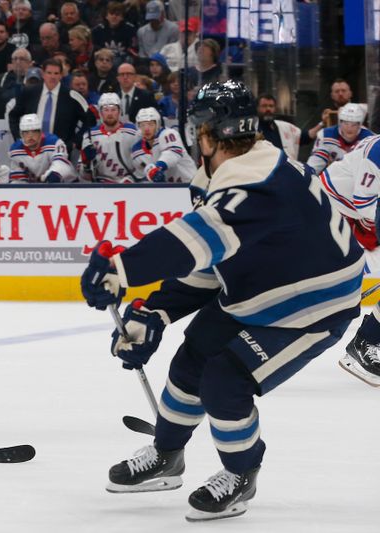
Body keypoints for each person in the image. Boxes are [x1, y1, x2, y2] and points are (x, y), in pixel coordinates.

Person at [80, 80, 364, 522]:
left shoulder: (257, 186)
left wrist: (122, 270)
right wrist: (158, 309)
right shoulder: (237, 171)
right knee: (191, 361)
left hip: (313, 307)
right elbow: (211, 260)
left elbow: (195, 239)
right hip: (260, 286)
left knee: (225, 383)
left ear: (207, 133)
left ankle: (241, 473)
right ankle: (167, 456)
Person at [318, 134, 380, 385]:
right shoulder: (378, 151)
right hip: (332, 208)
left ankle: (370, 339)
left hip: (354, 211)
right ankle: (367, 342)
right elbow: (365, 204)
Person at [9, 58, 94, 153]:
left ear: (61, 75)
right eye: (49, 73)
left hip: (61, 151)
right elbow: (13, 115)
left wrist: (75, 142)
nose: (52, 77)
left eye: (56, 73)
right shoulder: (29, 92)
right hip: (31, 150)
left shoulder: (72, 96)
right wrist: (19, 138)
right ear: (43, 74)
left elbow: (90, 120)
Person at [79, 92, 138, 183]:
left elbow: (141, 165)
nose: (110, 114)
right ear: (100, 113)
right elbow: (84, 177)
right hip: (101, 187)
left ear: (120, 111)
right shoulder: (90, 135)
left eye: (113, 109)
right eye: (106, 110)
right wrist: (86, 164)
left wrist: (131, 179)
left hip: (128, 185)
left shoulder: (133, 133)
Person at [131, 107, 195, 183]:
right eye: (142, 125)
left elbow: (172, 153)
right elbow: (141, 177)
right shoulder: (137, 152)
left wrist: (158, 167)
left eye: (150, 124)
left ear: (157, 124)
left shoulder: (168, 134)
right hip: (167, 189)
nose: (146, 129)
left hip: (190, 183)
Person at [306, 103, 373, 174]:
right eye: (346, 123)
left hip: (359, 179)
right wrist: (307, 176)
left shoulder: (370, 139)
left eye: (354, 124)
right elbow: (315, 164)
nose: (349, 128)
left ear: (360, 124)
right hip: (334, 178)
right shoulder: (326, 136)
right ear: (340, 122)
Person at [8, 113, 75, 183]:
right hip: (36, 189)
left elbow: (61, 164)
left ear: (40, 132)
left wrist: (52, 175)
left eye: (34, 132)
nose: (30, 136)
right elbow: (18, 180)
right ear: (21, 134)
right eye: (26, 132)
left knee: (54, 177)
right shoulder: (15, 150)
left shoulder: (54, 142)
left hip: (66, 186)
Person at [92, 2, 138, 69]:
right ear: (106, 16)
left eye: (117, 14)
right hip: (103, 59)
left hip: (123, 60)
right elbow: (95, 49)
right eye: (111, 14)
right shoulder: (97, 30)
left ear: (122, 17)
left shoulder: (130, 29)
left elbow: (133, 49)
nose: (114, 16)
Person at [256, 94, 302, 160]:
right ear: (257, 108)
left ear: (275, 108)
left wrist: (321, 125)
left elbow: (305, 136)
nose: (268, 109)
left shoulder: (281, 126)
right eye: (264, 106)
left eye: (271, 106)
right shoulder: (252, 127)